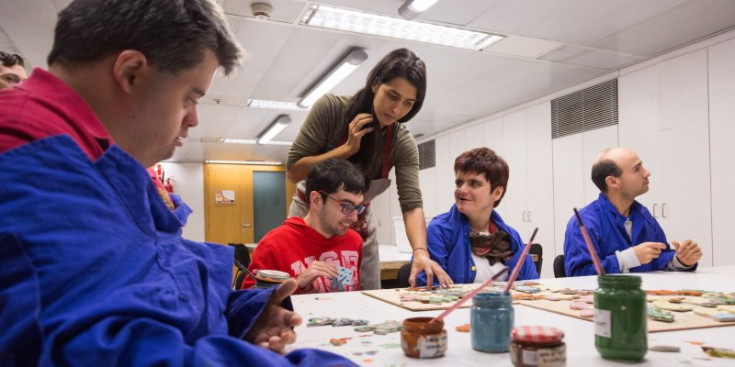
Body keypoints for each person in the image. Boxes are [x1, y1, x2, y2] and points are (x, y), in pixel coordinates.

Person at [0, 0, 355, 365]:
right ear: (131, 72)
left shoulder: (95, 155)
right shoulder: (28, 154)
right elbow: (97, 352)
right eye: (190, 97)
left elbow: (151, 277)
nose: (194, 119)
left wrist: (238, 313)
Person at [286, 48, 451, 289]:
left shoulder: (401, 142)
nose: (397, 110)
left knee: (361, 297)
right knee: (304, 293)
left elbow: (411, 203)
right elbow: (294, 172)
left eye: (408, 103)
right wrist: (345, 150)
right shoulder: (331, 110)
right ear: (375, 83)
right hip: (310, 221)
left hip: (356, 228)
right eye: (392, 96)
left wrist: (420, 252)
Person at [563, 147, 702, 276]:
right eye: (637, 169)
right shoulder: (584, 223)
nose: (647, 172)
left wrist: (680, 260)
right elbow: (578, 275)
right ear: (612, 182)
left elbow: (659, 257)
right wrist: (628, 258)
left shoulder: (643, 215)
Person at [417, 148, 538, 286]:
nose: (462, 190)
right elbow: (429, 289)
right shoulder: (439, 230)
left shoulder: (511, 237)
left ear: (497, 192)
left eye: (474, 183)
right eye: (459, 183)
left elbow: (531, 284)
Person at [243, 159, 365, 293]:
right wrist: (296, 283)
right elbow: (248, 305)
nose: (354, 218)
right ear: (316, 200)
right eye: (346, 206)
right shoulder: (274, 245)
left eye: (358, 207)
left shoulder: (354, 241)